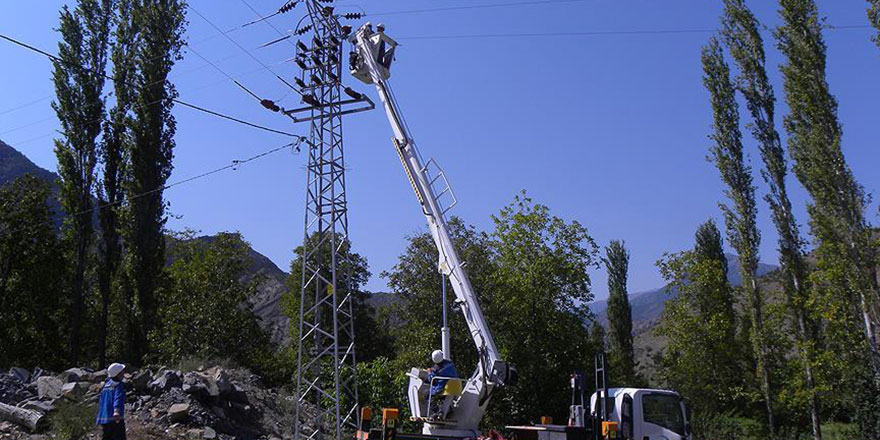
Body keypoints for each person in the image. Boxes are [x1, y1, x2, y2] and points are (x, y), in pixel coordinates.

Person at [96, 362, 126, 440]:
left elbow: (101, 401)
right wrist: (116, 411)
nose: (123, 373)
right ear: (118, 373)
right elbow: (118, 398)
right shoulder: (118, 385)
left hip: (105, 418)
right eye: (122, 371)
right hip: (115, 418)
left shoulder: (106, 385)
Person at [426, 350, 458, 417]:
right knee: (442, 398)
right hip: (456, 385)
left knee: (427, 396)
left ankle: (437, 412)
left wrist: (429, 372)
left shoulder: (436, 368)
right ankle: (448, 411)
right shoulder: (450, 364)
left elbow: (430, 379)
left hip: (443, 386)